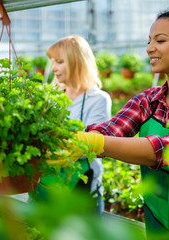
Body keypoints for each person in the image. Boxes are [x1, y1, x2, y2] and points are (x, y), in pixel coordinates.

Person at [48, 3, 169, 238]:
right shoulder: (148, 100)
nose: (150, 48)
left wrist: (95, 143)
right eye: (149, 41)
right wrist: (55, 137)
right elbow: (110, 129)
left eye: (160, 41)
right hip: (158, 216)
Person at [37, 35, 112, 214]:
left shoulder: (98, 99)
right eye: (53, 62)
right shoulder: (50, 96)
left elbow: (94, 144)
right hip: (46, 186)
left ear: (77, 62)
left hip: (82, 191)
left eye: (60, 62)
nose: (53, 68)